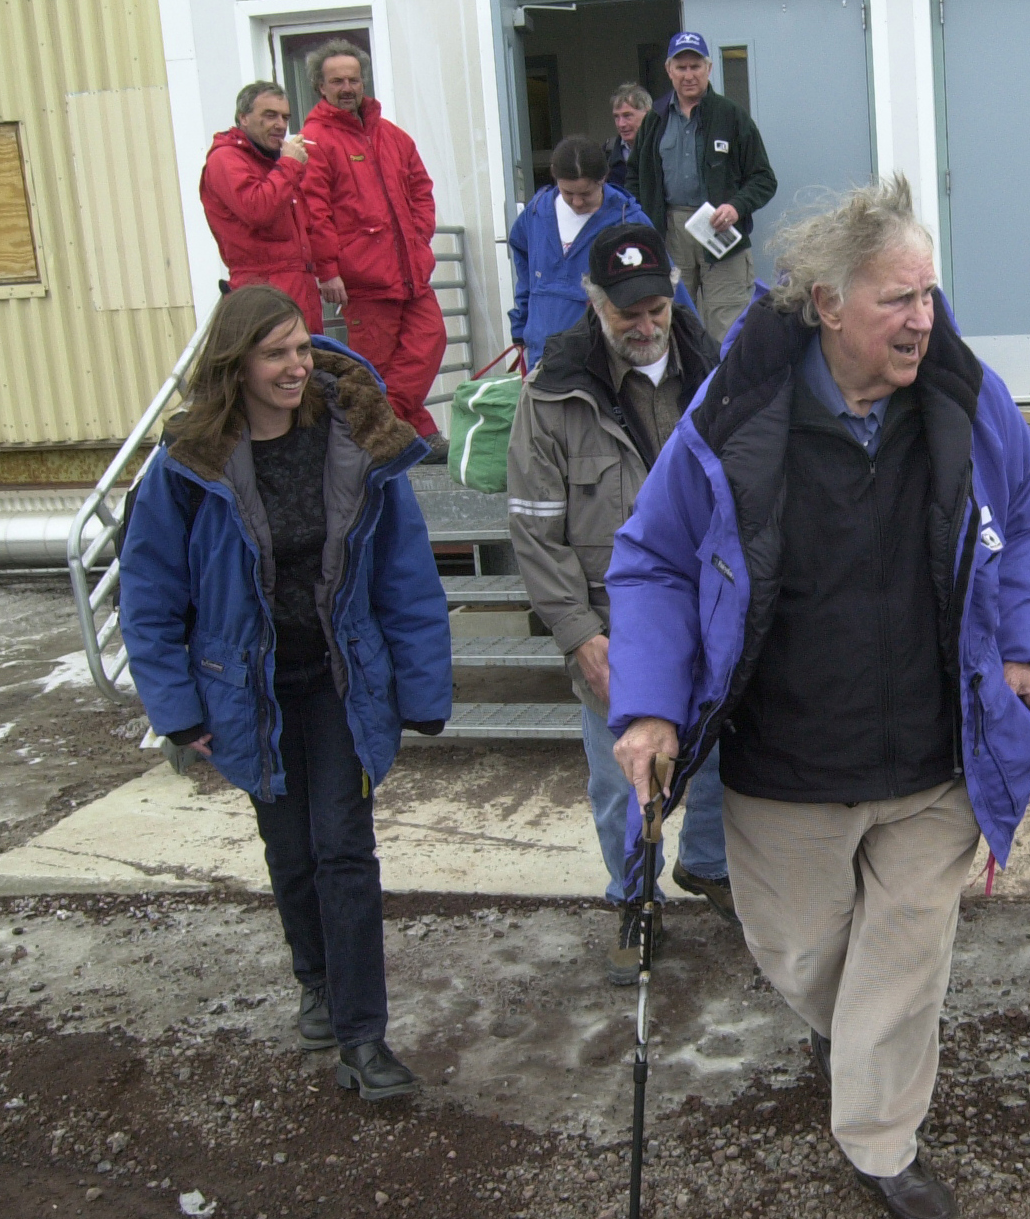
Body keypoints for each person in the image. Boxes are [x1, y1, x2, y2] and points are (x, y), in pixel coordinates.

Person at [606, 177, 1030, 1219]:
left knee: (903, 962)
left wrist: (1021, 651)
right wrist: (652, 708)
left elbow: (1019, 517)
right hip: (787, 760)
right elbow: (651, 559)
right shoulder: (739, 414)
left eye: (930, 295)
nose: (922, 320)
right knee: (807, 955)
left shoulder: (964, 397)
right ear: (827, 304)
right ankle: (850, 1037)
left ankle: (880, 1145)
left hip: (934, 754)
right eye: (897, 299)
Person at [119, 284, 452, 1102]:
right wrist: (179, 710)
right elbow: (150, 592)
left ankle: (363, 1037)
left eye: (304, 348)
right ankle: (314, 978)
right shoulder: (187, 466)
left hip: (342, 682)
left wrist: (420, 684)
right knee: (290, 848)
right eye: (277, 353)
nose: (298, 365)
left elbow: (405, 576)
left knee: (345, 849)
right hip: (250, 691)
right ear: (238, 366)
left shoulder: (357, 441)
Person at [506, 224, 735, 985]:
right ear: (594, 303)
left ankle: (710, 865)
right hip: (613, 626)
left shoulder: (722, 373)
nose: (644, 326)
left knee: (726, 754)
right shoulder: (552, 392)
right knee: (623, 779)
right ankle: (634, 894)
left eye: (656, 308)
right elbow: (536, 532)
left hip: (711, 613)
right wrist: (579, 636)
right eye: (626, 312)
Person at [300, 38, 450, 463]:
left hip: (410, 272)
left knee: (430, 341)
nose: (347, 87)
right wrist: (328, 269)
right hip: (363, 281)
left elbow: (421, 188)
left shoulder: (392, 136)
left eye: (353, 79)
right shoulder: (315, 140)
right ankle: (414, 435)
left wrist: (419, 236)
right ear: (320, 86)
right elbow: (315, 211)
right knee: (376, 364)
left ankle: (387, 432)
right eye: (337, 81)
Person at [625, 31, 777, 342]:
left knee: (728, 325)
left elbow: (764, 178)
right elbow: (633, 178)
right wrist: (644, 225)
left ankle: (726, 390)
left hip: (722, 231)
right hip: (670, 232)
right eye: (681, 68)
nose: (689, 75)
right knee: (673, 322)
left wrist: (735, 207)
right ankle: (685, 390)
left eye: (696, 66)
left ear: (708, 69)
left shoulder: (731, 116)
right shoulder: (655, 118)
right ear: (669, 71)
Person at [509, 135, 675, 368]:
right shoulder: (536, 213)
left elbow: (666, 290)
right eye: (568, 193)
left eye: (586, 194)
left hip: (602, 361)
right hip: (542, 357)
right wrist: (520, 325)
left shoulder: (630, 221)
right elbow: (523, 269)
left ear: (604, 179)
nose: (577, 202)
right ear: (555, 177)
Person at [199, 81, 324, 337]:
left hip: (297, 286)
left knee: (309, 367)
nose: (280, 124)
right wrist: (289, 165)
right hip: (264, 293)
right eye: (270, 115)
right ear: (243, 117)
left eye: (285, 117)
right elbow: (257, 210)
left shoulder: (273, 161)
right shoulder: (226, 159)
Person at [603, 83, 651, 191]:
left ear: (648, 114)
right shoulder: (608, 151)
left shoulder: (663, 147)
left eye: (627, 116)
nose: (621, 124)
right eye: (616, 117)